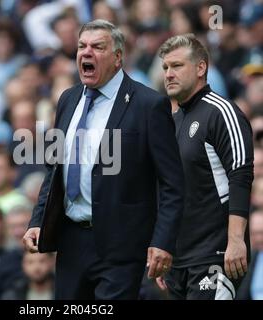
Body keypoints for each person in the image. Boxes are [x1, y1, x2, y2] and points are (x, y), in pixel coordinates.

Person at [22, 19, 185, 300]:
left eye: (98, 47)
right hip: (72, 241)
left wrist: (162, 242)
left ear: (118, 57)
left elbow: (172, 183)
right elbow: (54, 169)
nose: (87, 53)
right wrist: (38, 220)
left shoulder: (149, 104)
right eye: (82, 46)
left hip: (122, 244)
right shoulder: (67, 99)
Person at [156, 33, 254, 300]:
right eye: (165, 67)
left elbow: (240, 176)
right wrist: (163, 248)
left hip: (216, 255)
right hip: (178, 261)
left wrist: (236, 241)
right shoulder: (171, 122)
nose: (168, 74)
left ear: (201, 68)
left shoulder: (222, 112)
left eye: (177, 66)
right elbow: (167, 192)